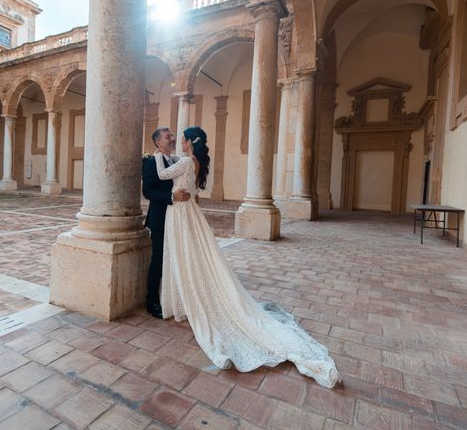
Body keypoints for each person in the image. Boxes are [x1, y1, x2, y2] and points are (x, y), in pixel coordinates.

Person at [153, 126, 341, 388]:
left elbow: (162, 174)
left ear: (187, 142)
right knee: (194, 257)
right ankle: (188, 295)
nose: (177, 141)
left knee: (184, 257)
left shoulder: (183, 160)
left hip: (181, 214)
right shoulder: (195, 162)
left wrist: (154, 156)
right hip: (191, 213)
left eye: (179, 138)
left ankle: (186, 299)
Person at [142, 127, 190, 319]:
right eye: (167, 136)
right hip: (160, 218)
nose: (172, 138)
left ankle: (169, 296)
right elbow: (148, 192)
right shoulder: (151, 162)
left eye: (172, 135)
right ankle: (151, 301)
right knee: (158, 259)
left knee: (173, 258)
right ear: (158, 142)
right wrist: (172, 196)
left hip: (176, 218)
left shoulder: (175, 160)